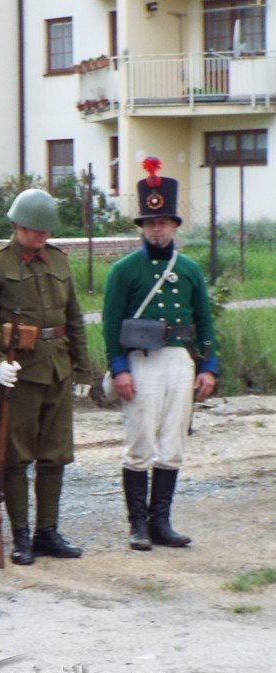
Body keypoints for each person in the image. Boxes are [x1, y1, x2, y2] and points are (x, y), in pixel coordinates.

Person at [0, 189, 92, 565]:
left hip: (57, 368)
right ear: (19, 225)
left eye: (47, 231)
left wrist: (83, 367)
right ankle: (20, 534)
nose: (43, 237)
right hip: (19, 372)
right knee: (16, 456)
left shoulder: (58, 260)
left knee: (55, 456)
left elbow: (74, 317)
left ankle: (47, 532)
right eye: (37, 231)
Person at [102, 158, 217, 550]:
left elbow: (204, 320)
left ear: (174, 226)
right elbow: (110, 323)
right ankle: (137, 525)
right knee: (140, 441)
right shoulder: (124, 270)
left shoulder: (189, 269)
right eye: (150, 222)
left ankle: (161, 523)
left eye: (163, 222)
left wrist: (209, 367)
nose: (157, 228)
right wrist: (119, 368)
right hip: (142, 361)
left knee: (172, 442)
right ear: (143, 227)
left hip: (180, 360)